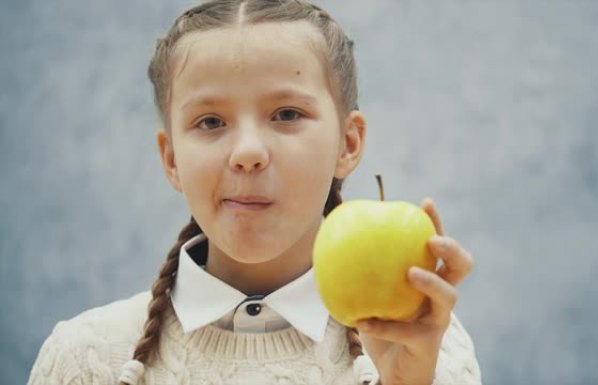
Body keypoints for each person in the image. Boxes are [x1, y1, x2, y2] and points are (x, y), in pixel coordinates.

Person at [28, 1, 482, 384]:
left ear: (348, 143)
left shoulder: (426, 348)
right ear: (171, 159)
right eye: (210, 122)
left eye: (286, 114)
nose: (247, 153)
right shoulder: (82, 358)